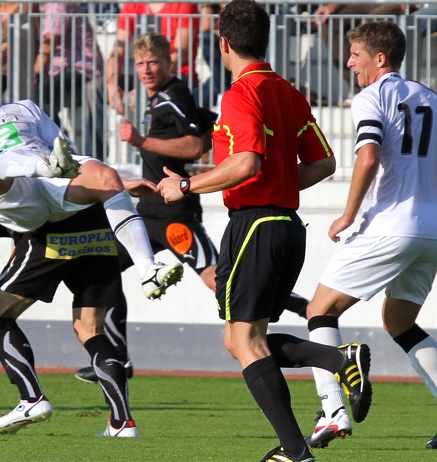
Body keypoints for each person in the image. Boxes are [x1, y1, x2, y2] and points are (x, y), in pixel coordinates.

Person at [158, 2, 370, 461]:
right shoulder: (288, 92)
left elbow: (245, 161)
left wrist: (185, 185)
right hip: (288, 227)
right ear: (266, 40)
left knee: (245, 341)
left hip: (254, 224)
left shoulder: (240, 94)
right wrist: (279, 183)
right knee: (239, 340)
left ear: (223, 43)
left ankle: (296, 450)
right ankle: (337, 363)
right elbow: (324, 163)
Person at [0, 50, 182, 304]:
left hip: (53, 184)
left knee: (106, 176)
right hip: (14, 199)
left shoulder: (25, 108)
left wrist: (122, 184)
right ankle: (41, 165)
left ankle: (149, 269)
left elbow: (69, 155)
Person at [303, 20, 437, 450]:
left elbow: (369, 155)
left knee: (320, 311)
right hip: (431, 232)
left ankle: (334, 411)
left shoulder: (372, 97)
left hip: (388, 227)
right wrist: (426, 194)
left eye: (355, 53)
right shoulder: (432, 99)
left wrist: (347, 214)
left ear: (380, 58)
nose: (349, 61)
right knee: (399, 321)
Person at [0, 175, 154, 436]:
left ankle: (31, 399)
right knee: (91, 330)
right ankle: (122, 423)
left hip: (52, 235)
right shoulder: (10, 168)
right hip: (98, 229)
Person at [75, 32, 219, 383]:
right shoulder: (159, 100)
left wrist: (140, 140)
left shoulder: (174, 95)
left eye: (153, 62)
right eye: (140, 63)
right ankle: (119, 358)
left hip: (174, 215)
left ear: (169, 62)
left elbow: (193, 145)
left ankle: (296, 308)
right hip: (150, 213)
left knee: (219, 279)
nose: (146, 69)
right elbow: (211, 122)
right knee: (104, 268)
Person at [34, 2, 104, 157]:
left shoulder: (56, 5)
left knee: (40, 93)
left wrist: (36, 73)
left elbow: (51, 40)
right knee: (43, 96)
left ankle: (60, 145)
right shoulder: (53, 6)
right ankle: (62, 143)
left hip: (80, 68)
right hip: (72, 70)